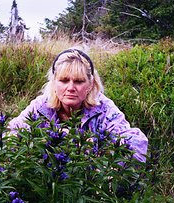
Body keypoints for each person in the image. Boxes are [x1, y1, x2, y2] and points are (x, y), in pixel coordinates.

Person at [8, 48, 148, 162]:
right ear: (54, 83)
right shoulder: (41, 107)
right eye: (63, 80)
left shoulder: (103, 108)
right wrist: (49, 138)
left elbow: (138, 144)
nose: (70, 88)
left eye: (79, 81)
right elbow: (11, 134)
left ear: (91, 84)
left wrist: (99, 147)